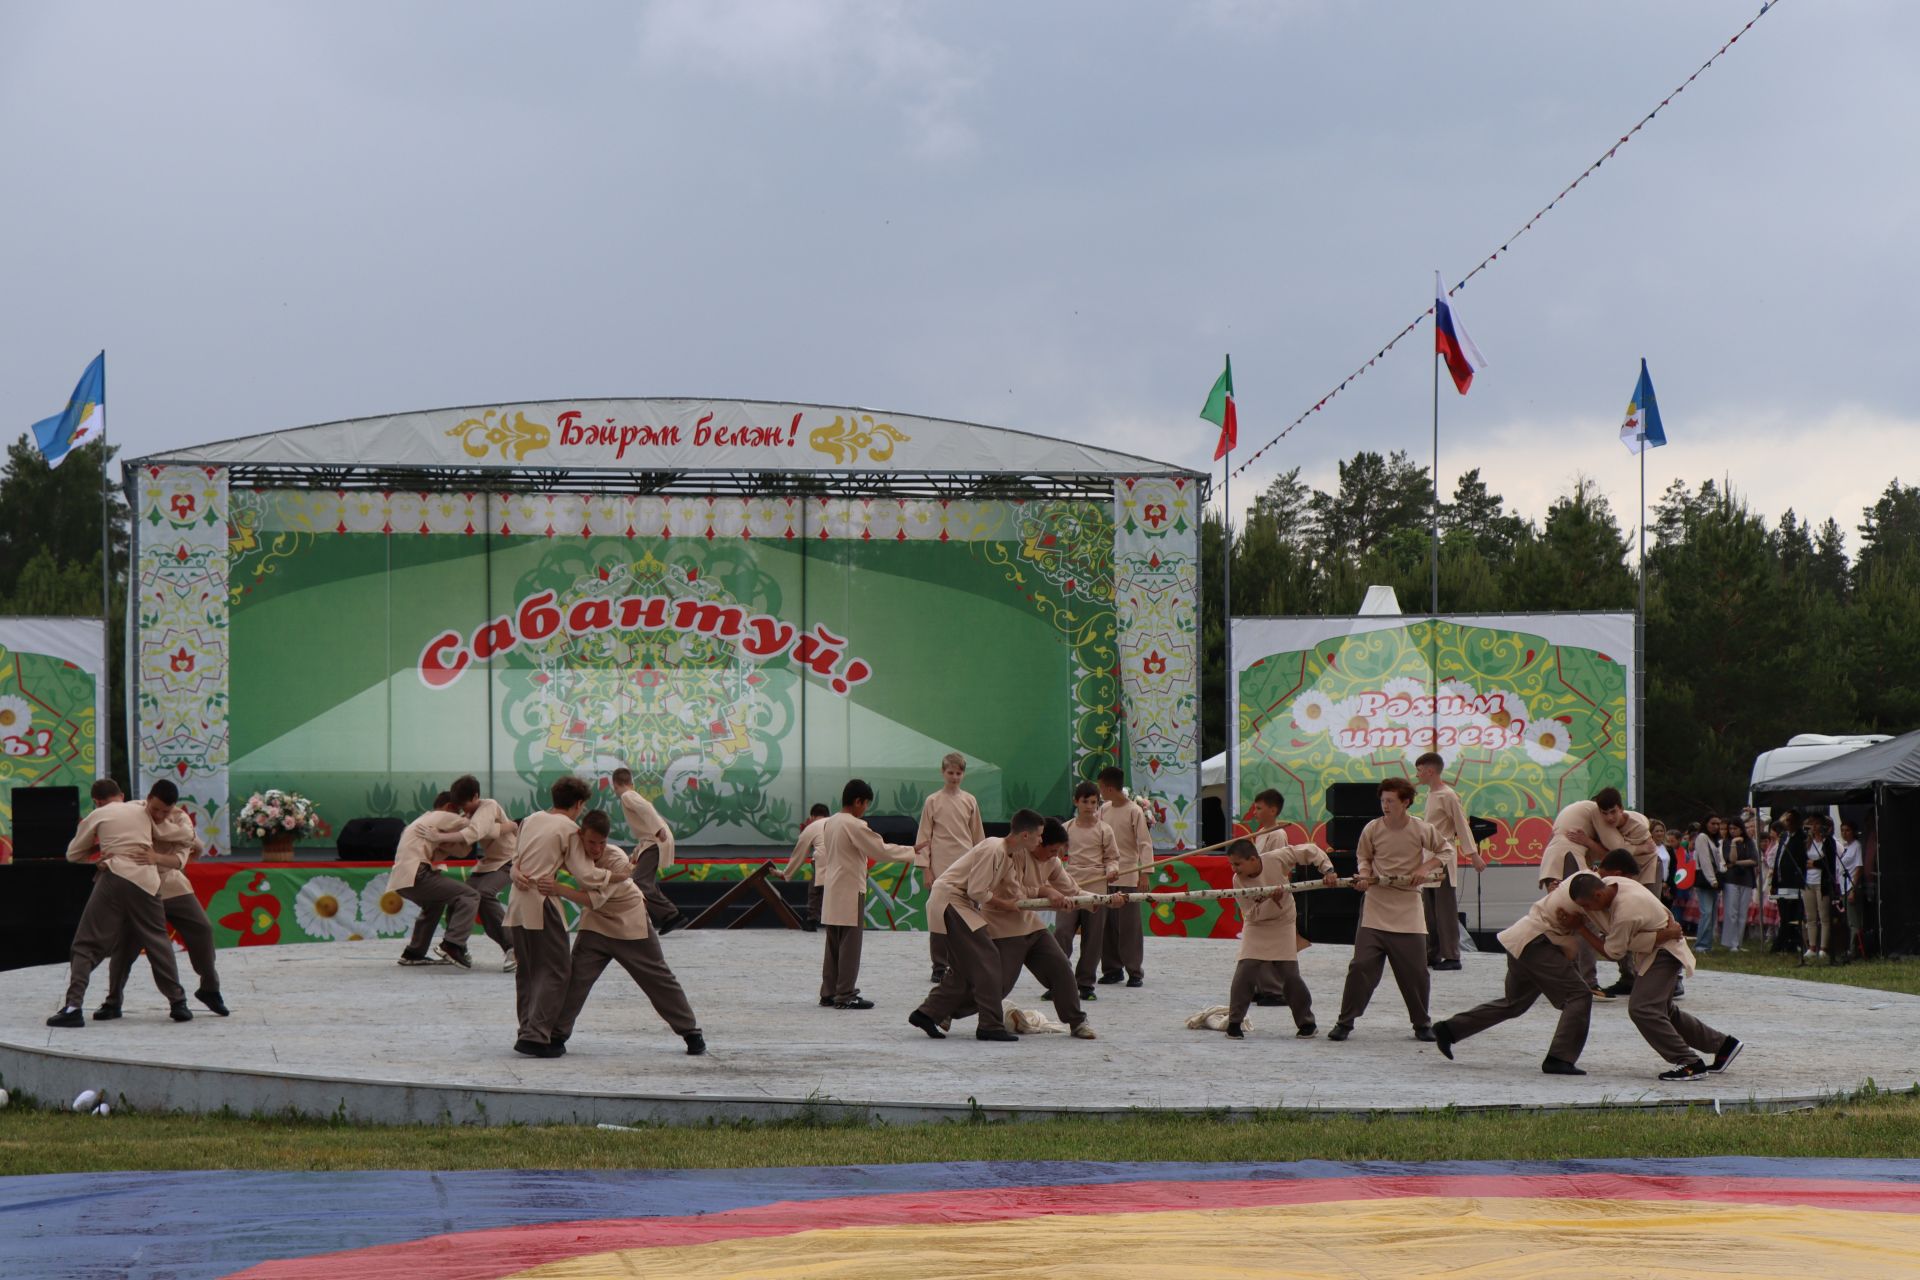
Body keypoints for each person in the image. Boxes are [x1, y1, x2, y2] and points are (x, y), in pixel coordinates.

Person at [910, 812, 1100, 1042]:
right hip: (975, 914)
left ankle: (934, 1013)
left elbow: (1038, 893)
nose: (1049, 850)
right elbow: (991, 894)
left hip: (1015, 921)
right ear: (1028, 837)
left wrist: (1100, 900)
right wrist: (1046, 892)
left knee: (1056, 967)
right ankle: (964, 1019)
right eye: (1043, 842)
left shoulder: (1020, 855)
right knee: (989, 973)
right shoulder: (1003, 851)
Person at [544, 809, 705, 1056]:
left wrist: (558, 888)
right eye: (591, 842)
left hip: (631, 923)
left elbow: (596, 896)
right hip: (596, 925)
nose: (596, 848)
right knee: (575, 979)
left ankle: (691, 1032)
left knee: (658, 978)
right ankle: (557, 1035)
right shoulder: (573, 851)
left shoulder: (615, 857)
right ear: (580, 835)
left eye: (602, 842)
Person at [1562, 872, 1742, 1081]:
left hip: (1664, 953)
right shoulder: (1615, 883)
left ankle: (1689, 1062)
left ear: (1598, 896)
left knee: (1642, 1008)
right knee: (1663, 1010)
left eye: (1587, 906)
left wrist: (1580, 927)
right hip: (1659, 948)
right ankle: (1723, 1045)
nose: (1586, 911)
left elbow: (1613, 952)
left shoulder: (1625, 912)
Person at [1432, 872, 1609, 1075]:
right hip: (1537, 943)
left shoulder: (1581, 879)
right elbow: (1609, 947)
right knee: (1579, 995)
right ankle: (1559, 1058)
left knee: (1513, 1003)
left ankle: (1449, 1029)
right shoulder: (1593, 892)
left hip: (1520, 938)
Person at [49, 780, 190, 1028]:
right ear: (122, 795)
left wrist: (100, 848)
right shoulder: (142, 809)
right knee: (158, 940)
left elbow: (73, 854)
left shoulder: (97, 815)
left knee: (86, 943)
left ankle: (73, 1007)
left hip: (114, 876)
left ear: (97, 801)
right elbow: (179, 833)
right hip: (147, 879)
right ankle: (178, 1003)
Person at [1328, 777, 1451, 1043]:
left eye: (1391, 801)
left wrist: (1424, 868)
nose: (1385, 806)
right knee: (1361, 966)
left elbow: (1446, 850)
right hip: (1376, 906)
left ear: (1405, 802)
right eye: (1383, 801)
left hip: (1408, 907)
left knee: (1416, 971)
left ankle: (1421, 1023)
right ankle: (1345, 1022)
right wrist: (1363, 875)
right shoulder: (1372, 828)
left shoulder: (1421, 828)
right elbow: (1364, 857)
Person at [786, 779, 919, 1010]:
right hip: (849, 888)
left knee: (834, 943)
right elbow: (881, 850)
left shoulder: (831, 822)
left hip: (832, 885)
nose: (865, 809)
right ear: (858, 801)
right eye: (865, 804)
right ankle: (845, 993)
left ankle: (828, 992)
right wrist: (914, 852)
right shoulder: (855, 825)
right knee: (850, 943)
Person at [97, 794, 228, 1020]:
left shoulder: (181, 820)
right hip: (139, 885)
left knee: (202, 929)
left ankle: (209, 988)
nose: (158, 815)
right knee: (126, 945)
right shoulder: (131, 812)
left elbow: (195, 848)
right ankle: (113, 1000)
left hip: (171, 884)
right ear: (147, 801)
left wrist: (158, 857)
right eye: (155, 809)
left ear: (172, 807)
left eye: (164, 811)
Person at [505, 775, 607, 1058]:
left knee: (527, 970)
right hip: (542, 902)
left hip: (517, 902)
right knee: (557, 969)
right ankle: (536, 1036)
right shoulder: (570, 828)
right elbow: (585, 873)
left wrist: (515, 872)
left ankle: (526, 1029)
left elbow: (514, 861)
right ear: (578, 804)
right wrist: (618, 873)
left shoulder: (531, 819)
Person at [1222, 836, 1336, 1040]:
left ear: (1253, 859)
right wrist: (1270, 900)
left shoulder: (1276, 858)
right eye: (1232, 864)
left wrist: (1327, 870)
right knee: (1245, 970)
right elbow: (1251, 914)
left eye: (1237, 864)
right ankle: (1234, 1022)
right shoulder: (1237, 881)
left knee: (1290, 975)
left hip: (1283, 923)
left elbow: (1309, 849)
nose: (1234, 869)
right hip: (1256, 925)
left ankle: (1306, 1022)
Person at [404, 775, 519, 971]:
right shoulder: (469, 816)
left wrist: (439, 836)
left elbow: (474, 833)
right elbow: (467, 843)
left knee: (483, 894)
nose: (463, 812)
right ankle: (457, 947)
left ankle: (514, 948)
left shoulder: (488, 805)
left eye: (465, 806)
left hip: (509, 861)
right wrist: (506, 826)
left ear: (476, 796)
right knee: (460, 898)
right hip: (487, 864)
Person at [389, 794, 486, 969]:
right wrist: (488, 814)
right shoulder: (442, 816)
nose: (461, 814)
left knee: (435, 903)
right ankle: (452, 945)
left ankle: (413, 953)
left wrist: (448, 838)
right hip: (418, 874)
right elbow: (476, 827)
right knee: (470, 896)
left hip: (401, 878)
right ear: (449, 807)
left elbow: (462, 852)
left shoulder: (424, 821)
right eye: (460, 810)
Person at [916, 752, 986, 982]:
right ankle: (939, 966)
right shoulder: (932, 801)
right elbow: (924, 838)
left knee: (969, 916)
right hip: (940, 867)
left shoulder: (970, 801)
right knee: (938, 916)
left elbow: (978, 838)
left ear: (963, 774)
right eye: (950, 772)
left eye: (958, 773)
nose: (954, 777)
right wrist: (926, 869)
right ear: (942, 772)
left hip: (967, 866)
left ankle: (967, 962)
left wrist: (982, 868)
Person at [1414, 752, 1482, 971]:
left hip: (1442, 858)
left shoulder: (1448, 795)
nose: (1418, 774)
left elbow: (1461, 825)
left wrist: (1473, 854)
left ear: (1430, 771)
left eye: (1419, 770)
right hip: (1429, 858)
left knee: (1444, 909)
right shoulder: (1432, 795)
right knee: (1429, 911)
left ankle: (1452, 955)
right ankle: (1432, 953)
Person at [1053, 781, 1119, 1000]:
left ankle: (1086, 984)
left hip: (1097, 888)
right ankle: (1058, 982)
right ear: (1076, 801)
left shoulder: (1104, 829)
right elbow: (1055, 859)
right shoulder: (1066, 828)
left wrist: (1112, 869)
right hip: (1069, 886)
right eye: (1085, 802)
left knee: (1093, 938)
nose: (1090, 806)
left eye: (1094, 802)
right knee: (1062, 933)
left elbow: (1112, 858)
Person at [1096, 767, 1154, 988]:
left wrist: (1145, 872)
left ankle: (1134, 970)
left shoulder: (1134, 811)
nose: (1100, 792)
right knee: (1107, 926)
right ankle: (1112, 969)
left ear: (1109, 788)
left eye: (1101, 788)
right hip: (1105, 874)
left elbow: (1144, 843)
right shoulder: (1103, 809)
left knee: (1129, 926)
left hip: (1128, 873)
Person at [613, 768, 687, 934]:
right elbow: (644, 831)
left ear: (615, 785)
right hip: (652, 841)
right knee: (645, 881)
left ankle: (671, 914)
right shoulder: (632, 794)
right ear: (632, 783)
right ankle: (668, 915)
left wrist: (658, 829)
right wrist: (636, 854)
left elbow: (647, 808)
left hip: (655, 841)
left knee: (640, 882)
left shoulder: (627, 796)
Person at [1769, 810, 1807, 954]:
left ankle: (1784, 943)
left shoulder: (1801, 837)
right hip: (1780, 881)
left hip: (1792, 882)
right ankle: (1785, 942)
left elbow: (1800, 860)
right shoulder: (1784, 836)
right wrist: (1774, 883)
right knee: (1784, 914)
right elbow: (1779, 858)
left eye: (1788, 821)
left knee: (1790, 915)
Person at [1719, 818, 1759, 952]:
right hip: (1731, 880)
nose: (1732, 831)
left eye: (1735, 828)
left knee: (1743, 913)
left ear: (1741, 829)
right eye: (1730, 829)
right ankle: (1731, 942)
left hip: (1746, 880)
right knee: (1731, 912)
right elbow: (1731, 858)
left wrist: (1736, 864)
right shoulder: (1727, 842)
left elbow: (1754, 860)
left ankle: (1738, 942)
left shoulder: (1750, 843)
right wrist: (1734, 844)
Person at [1801, 814, 1837, 962]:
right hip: (1808, 882)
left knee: (1824, 916)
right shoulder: (1807, 842)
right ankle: (1812, 946)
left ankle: (1823, 948)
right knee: (1810, 916)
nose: (1813, 827)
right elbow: (1802, 860)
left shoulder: (1828, 842)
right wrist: (1812, 862)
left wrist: (1814, 863)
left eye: (1816, 824)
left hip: (1822, 883)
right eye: (1811, 824)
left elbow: (1828, 863)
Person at [1691, 815, 1726, 953]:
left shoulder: (1715, 840)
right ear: (1706, 823)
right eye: (1713, 823)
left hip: (1714, 878)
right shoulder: (1702, 837)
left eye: (1718, 824)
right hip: (1705, 879)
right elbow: (1704, 860)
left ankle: (1707, 944)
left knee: (1711, 914)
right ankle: (1701, 944)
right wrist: (1712, 879)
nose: (1716, 826)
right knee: (1706, 912)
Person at [795, 802, 832, 931]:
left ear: (812, 816)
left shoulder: (812, 827)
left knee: (815, 892)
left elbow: (803, 847)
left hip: (821, 861)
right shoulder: (835, 823)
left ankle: (812, 921)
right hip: (838, 861)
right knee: (833, 892)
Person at [1836, 820, 1865, 964]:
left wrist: (1853, 888)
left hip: (1850, 887)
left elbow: (1858, 867)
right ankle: (1849, 948)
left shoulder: (1857, 847)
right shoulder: (1846, 848)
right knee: (1848, 920)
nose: (1844, 833)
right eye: (1842, 830)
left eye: (1847, 830)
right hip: (1843, 887)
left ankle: (1854, 950)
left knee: (1854, 921)